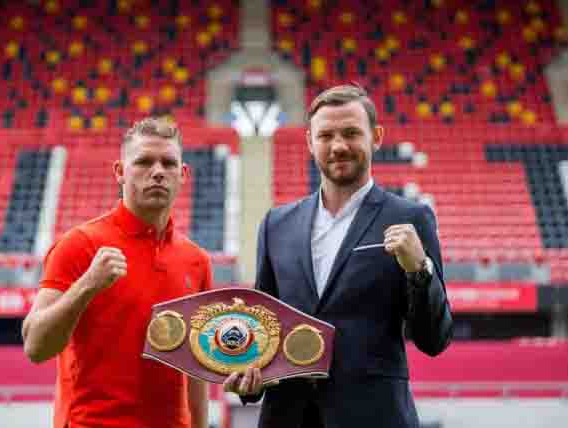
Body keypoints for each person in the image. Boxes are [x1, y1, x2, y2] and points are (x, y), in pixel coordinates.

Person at [224, 84, 453, 428]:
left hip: (375, 417)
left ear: (376, 137)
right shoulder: (276, 224)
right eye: (326, 135)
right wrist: (249, 382)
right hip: (287, 417)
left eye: (351, 133)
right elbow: (265, 329)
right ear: (309, 142)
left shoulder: (412, 219)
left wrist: (420, 271)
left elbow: (433, 339)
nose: (339, 146)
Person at [22, 117, 211, 428]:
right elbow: (36, 347)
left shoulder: (196, 260)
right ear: (120, 172)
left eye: (168, 163)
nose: (158, 172)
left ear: (184, 174)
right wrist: (87, 286)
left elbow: (197, 367)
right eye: (144, 162)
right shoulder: (78, 246)